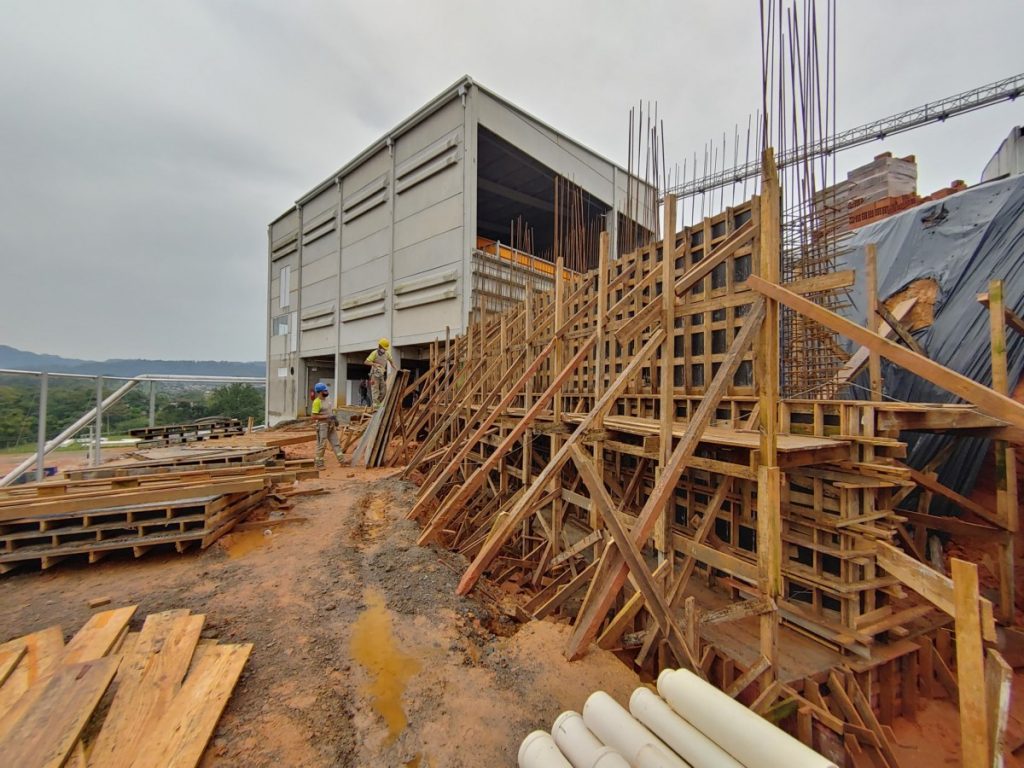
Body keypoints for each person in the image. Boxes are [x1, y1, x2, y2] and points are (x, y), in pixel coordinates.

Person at [310, 382, 345, 469]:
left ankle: (342, 461)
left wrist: (335, 420)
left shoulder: (328, 399)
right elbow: (313, 416)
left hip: (331, 424)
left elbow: (330, 411)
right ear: (319, 392)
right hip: (322, 425)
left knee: (336, 443)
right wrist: (327, 416)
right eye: (325, 391)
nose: (327, 392)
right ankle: (319, 464)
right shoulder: (317, 402)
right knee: (322, 444)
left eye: (326, 390)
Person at [365, 338, 398, 408]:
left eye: (385, 349)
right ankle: (375, 405)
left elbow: (392, 362)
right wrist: (374, 364)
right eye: (384, 348)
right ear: (380, 347)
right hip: (374, 375)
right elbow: (366, 362)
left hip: (381, 374)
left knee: (384, 391)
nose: (384, 350)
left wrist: (397, 369)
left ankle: (377, 403)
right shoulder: (374, 353)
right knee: (375, 390)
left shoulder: (387, 354)